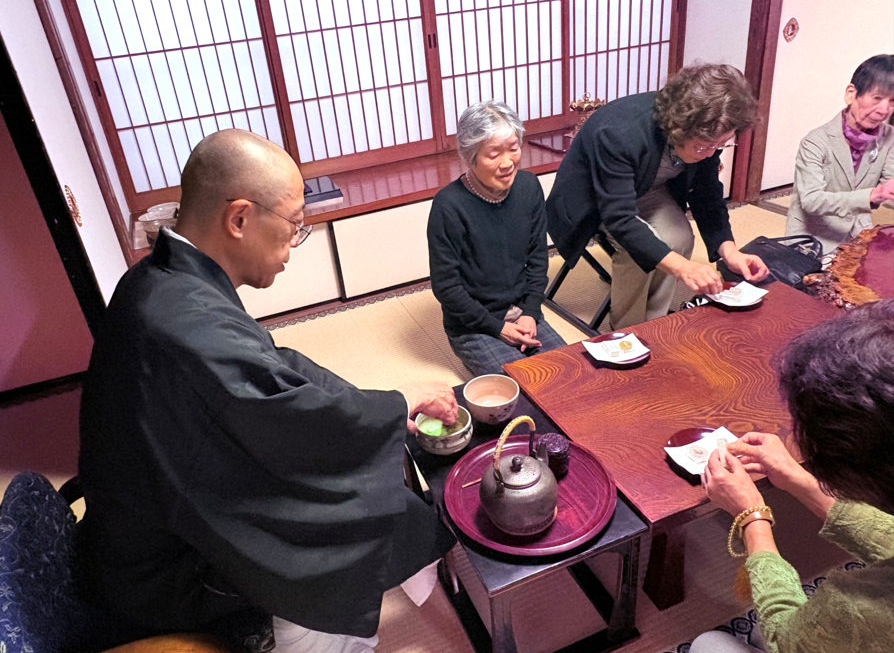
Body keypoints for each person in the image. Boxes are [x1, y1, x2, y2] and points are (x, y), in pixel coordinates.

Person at [78, 129, 458, 653]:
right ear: (239, 219)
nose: (294, 246)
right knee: (344, 526)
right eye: (294, 227)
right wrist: (388, 411)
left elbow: (273, 367)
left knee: (360, 470)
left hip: (150, 521)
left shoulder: (163, 277)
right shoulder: (179, 324)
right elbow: (277, 409)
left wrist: (386, 400)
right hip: (161, 573)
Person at [693, 299, 894, 653]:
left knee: (709, 643)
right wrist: (797, 479)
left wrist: (752, 517)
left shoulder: (857, 608)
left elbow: (787, 639)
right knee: (755, 631)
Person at [546, 63, 769, 330]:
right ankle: (628, 328)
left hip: (649, 187)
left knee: (679, 238)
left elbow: (707, 194)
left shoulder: (710, 137)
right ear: (679, 128)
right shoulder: (620, 133)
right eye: (703, 146)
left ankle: (653, 321)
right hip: (594, 198)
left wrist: (730, 252)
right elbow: (620, 219)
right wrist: (684, 269)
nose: (711, 153)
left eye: (720, 145)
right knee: (638, 249)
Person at [427, 100, 566, 376]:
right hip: (474, 323)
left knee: (568, 370)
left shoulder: (528, 187)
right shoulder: (449, 206)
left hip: (523, 311)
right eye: (493, 154)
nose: (507, 163)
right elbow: (446, 287)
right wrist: (498, 327)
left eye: (514, 149)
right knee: (517, 385)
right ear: (470, 157)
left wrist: (530, 311)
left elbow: (538, 259)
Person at [785, 54, 894, 254]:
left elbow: (890, 181)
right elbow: (811, 200)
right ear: (851, 94)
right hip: (812, 240)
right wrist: (872, 195)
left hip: (858, 236)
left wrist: (886, 191)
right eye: (877, 98)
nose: (884, 110)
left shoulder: (889, 137)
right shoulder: (816, 141)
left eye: (893, 101)